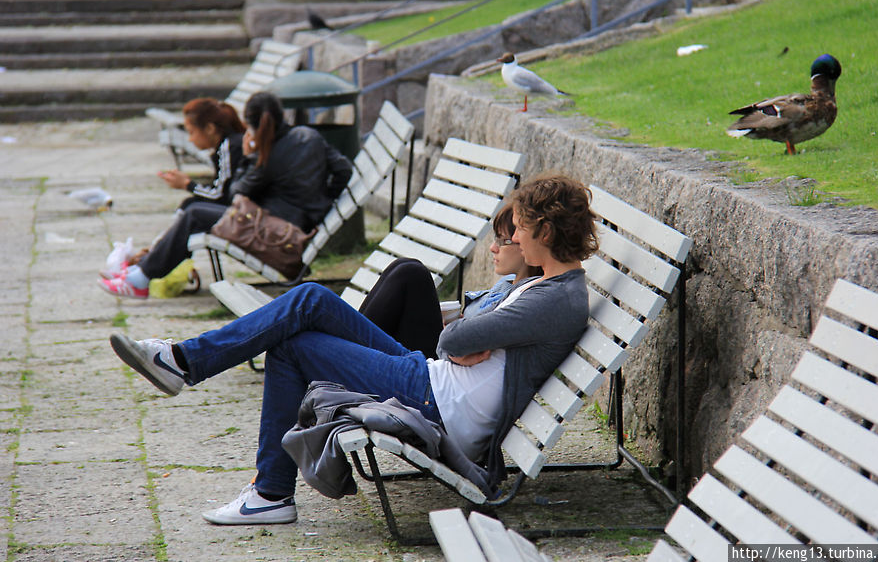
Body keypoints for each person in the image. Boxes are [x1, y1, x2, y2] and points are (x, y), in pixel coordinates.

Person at [108, 174, 598, 525]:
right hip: (430, 378)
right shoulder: (543, 287)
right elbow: (464, 338)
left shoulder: (557, 298)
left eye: (520, 229)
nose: (511, 237)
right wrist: (474, 336)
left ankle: (254, 467)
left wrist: (471, 338)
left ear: (546, 232)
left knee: (294, 337)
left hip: (437, 403)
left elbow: (454, 339)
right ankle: (252, 468)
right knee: (308, 304)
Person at [98, 92, 353, 299]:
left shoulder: (268, 152)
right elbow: (344, 169)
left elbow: (236, 193)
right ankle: (140, 271)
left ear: (254, 126)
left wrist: (249, 155)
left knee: (195, 213)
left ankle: (139, 279)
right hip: (290, 223)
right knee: (194, 209)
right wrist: (323, 204)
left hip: (276, 232)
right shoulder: (310, 136)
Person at [358, 203, 543, 358]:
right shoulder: (507, 284)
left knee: (412, 273)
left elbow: (487, 346)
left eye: (504, 241)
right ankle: (349, 347)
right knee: (403, 266)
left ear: (528, 242)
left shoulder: (531, 296)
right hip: (446, 351)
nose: (493, 248)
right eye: (495, 239)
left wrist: (458, 330)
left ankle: (349, 349)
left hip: (445, 370)